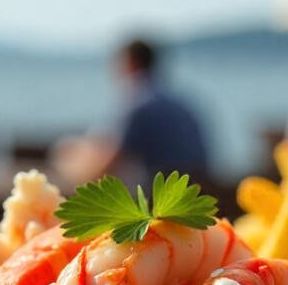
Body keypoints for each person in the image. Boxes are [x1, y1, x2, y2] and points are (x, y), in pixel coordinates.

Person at [60, 39, 208, 184]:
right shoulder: (180, 101)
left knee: (68, 152)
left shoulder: (138, 102)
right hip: (199, 186)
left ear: (130, 63)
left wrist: (76, 177)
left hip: (160, 194)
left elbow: (110, 163)